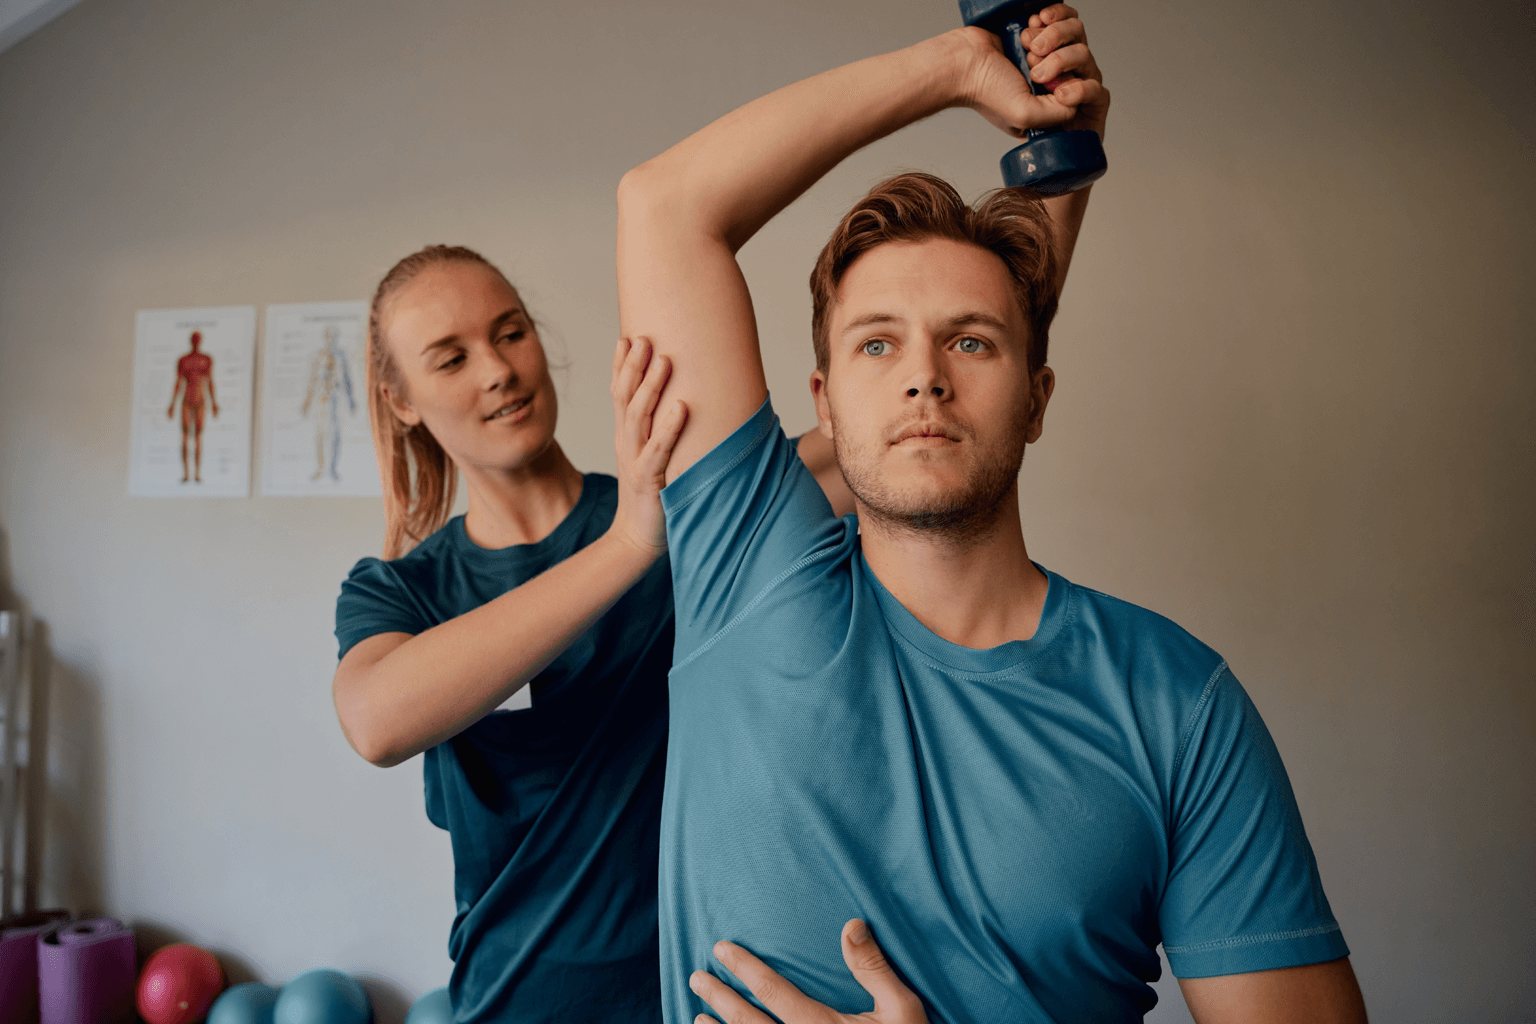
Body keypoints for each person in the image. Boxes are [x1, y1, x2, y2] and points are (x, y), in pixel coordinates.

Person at [615, 5, 1368, 1023]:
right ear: (825, 403)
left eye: (970, 343)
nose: (923, 375)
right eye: (877, 344)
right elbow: (664, 206)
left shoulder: (1176, 704)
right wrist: (956, 68)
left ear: (1037, 399)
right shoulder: (748, 565)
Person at [327, 244, 906, 1020]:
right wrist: (629, 543)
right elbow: (376, 721)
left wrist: (1056, 187)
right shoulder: (403, 589)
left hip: (697, 995)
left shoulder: (687, 515)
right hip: (514, 1002)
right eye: (450, 358)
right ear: (402, 401)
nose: (497, 369)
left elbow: (898, 415)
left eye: (510, 333)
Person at [301, 324, 357, 482]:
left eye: (334, 336)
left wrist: (351, 400)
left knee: (335, 434)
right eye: (328, 336)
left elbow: (347, 379)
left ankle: (332, 469)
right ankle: (320, 467)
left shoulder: (341, 355)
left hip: (336, 398)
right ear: (325, 337)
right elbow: (312, 380)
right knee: (321, 433)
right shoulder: (318, 356)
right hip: (322, 399)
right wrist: (307, 401)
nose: (331, 339)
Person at [167, 330, 218, 483]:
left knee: (197, 437)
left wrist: (214, 402)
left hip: (200, 401)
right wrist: (172, 404)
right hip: (186, 401)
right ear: (191, 341)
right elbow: (178, 382)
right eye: (194, 339)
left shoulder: (206, 359)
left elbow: (209, 381)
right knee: (184, 437)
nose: (195, 341)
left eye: (198, 339)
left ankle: (196, 474)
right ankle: (185, 474)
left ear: (200, 341)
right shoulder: (183, 360)